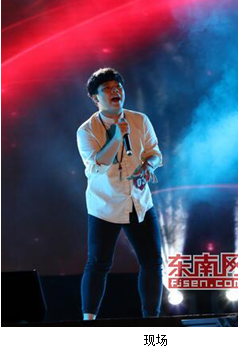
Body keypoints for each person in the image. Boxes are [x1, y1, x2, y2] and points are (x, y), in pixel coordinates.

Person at [76, 67, 164, 320]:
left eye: (118, 87)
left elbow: (155, 153)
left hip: (139, 202)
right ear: (95, 98)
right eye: (108, 89)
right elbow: (97, 165)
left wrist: (148, 166)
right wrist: (116, 135)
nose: (116, 92)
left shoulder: (140, 120)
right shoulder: (86, 131)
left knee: (152, 262)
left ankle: (152, 321)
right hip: (105, 205)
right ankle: (88, 322)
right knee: (98, 263)